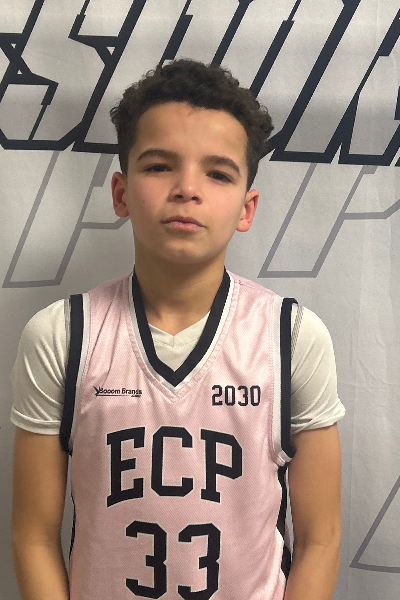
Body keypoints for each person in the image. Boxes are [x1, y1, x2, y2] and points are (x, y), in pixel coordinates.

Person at [11, 59, 345, 600]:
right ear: (121, 193)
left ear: (247, 207)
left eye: (218, 174)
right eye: (160, 166)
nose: (187, 188)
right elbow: (33, 535)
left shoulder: (291, 337)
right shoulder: (63, 335)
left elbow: (320, 540)